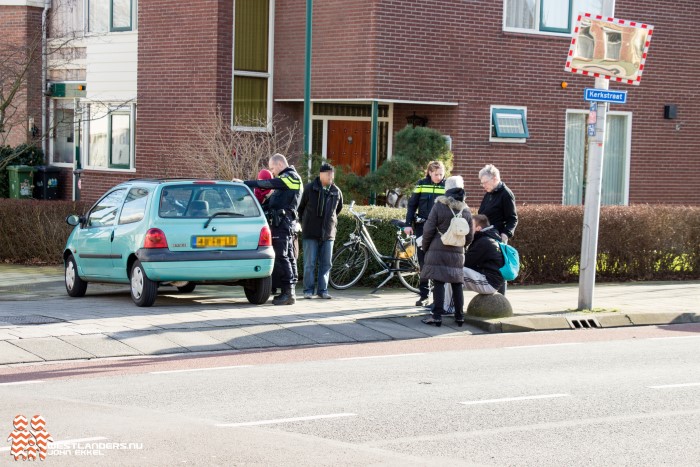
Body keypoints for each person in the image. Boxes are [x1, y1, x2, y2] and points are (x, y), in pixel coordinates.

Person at [244, 154, 303, 305]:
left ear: (279, 164)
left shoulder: (292, 178)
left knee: (283, 256)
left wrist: (245, 184)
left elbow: (268, 183)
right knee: (287, 255)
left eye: (272, 168)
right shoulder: (286, 181)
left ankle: (288, 292)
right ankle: (288, 291)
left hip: (283, 223)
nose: (272, 172)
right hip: (282, 222)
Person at [419, 175, 474, 327]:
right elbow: (470, 235)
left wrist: (425, 247)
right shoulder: (466, 210)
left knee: (438, 283)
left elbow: (428, 229)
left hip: (438, 249)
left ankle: (437, 316)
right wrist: (462, 247)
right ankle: (459, 317)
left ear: (447, 189)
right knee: (457, 284)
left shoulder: (438, 206)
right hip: (457, 252)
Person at [298, 163, 343, 300]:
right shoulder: (309, 188)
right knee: (309, 263)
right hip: (310, 232)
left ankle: (323, 290)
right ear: (320, 174)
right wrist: (304, 223)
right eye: (328, 173)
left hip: (328, 233)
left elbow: (338, 210)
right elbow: (300, 208)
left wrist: (330, 223)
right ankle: (308, 290)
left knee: (326, 263)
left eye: (332, 173)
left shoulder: (337, 191)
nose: (331, 176)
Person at [404, 160, 446, 307]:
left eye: (441, 174)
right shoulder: (421, 184)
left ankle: (438, 297)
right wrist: (408, 224)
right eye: (436, 174)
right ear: (429, 172)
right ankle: (424, 295)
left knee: (437, 262)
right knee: (423, 263)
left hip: (439, 230)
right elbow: (411, 205)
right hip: (422, 228)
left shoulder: (446, 186)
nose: (439, 177)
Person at [477, 164, 517, 295]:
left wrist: (505, 234)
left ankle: (500, 300)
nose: (483, 186)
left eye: (485, 182)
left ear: (494, 178)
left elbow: (512, 218)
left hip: (497, 239)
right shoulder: (488, 193)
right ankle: (488, 298)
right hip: (485, 237)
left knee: (499, 270)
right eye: (482, 183)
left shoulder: (506, 194)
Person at [463, 214, 505, 294]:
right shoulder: (488, 238)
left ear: (478, 228)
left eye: (470, 225)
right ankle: (447, 304)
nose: (468, 229)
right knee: (454, 272)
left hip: (489, 283)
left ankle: (448, 305)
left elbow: (466, 262)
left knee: (455, 273)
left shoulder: (484, 242)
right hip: (489, 280)